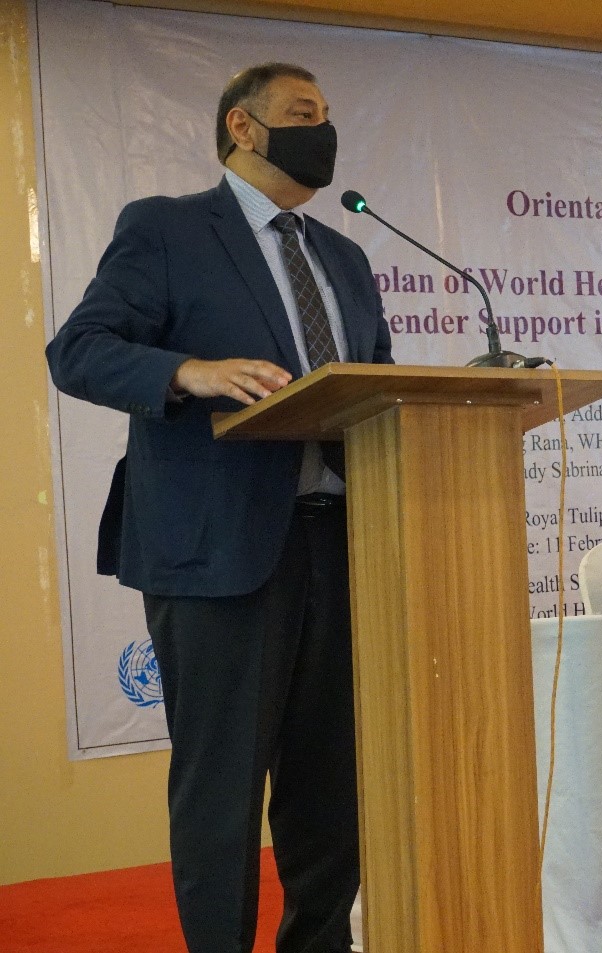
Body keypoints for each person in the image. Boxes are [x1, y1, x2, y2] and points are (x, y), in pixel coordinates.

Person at [46, 63, 391, 953]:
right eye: (303, 113)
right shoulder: (166, 229)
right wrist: (188, 372)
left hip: (340, 545)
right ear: (242, 126)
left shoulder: (344, 258)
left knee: (331, 788)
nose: (323, 129)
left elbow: (376, 384)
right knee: (222, 790)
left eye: (328, 113)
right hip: (218, 554)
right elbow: (78, 350)